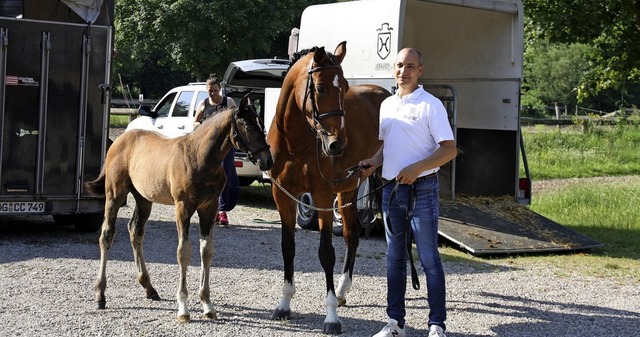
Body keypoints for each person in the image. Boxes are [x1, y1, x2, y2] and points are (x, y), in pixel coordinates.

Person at [359, 48, 457, 337]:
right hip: (390, 190)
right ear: (394, 69)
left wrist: (417, 168)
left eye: (410, 66)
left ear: (420, 71)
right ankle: (395, 324)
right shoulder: (387, 105)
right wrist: (373, 162)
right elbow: (387, 146)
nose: (404, 71)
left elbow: (449, 150)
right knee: (394, 258)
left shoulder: (431, 105)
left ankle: (436, 325)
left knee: (429, 259)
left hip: (422, 189)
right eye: (400, 65)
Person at [193, 73, 240, 226]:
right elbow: (195, 122)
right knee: (210, 178)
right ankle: (217, 211)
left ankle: (223, 209)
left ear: (219, 89)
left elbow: (236, 120)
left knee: (226, 175)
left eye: (214, 90)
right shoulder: (203, 104)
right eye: (209, 91)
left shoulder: (228, 102)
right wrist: (202, 127)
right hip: (208, 150)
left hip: (225, 148)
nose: (212, 93)